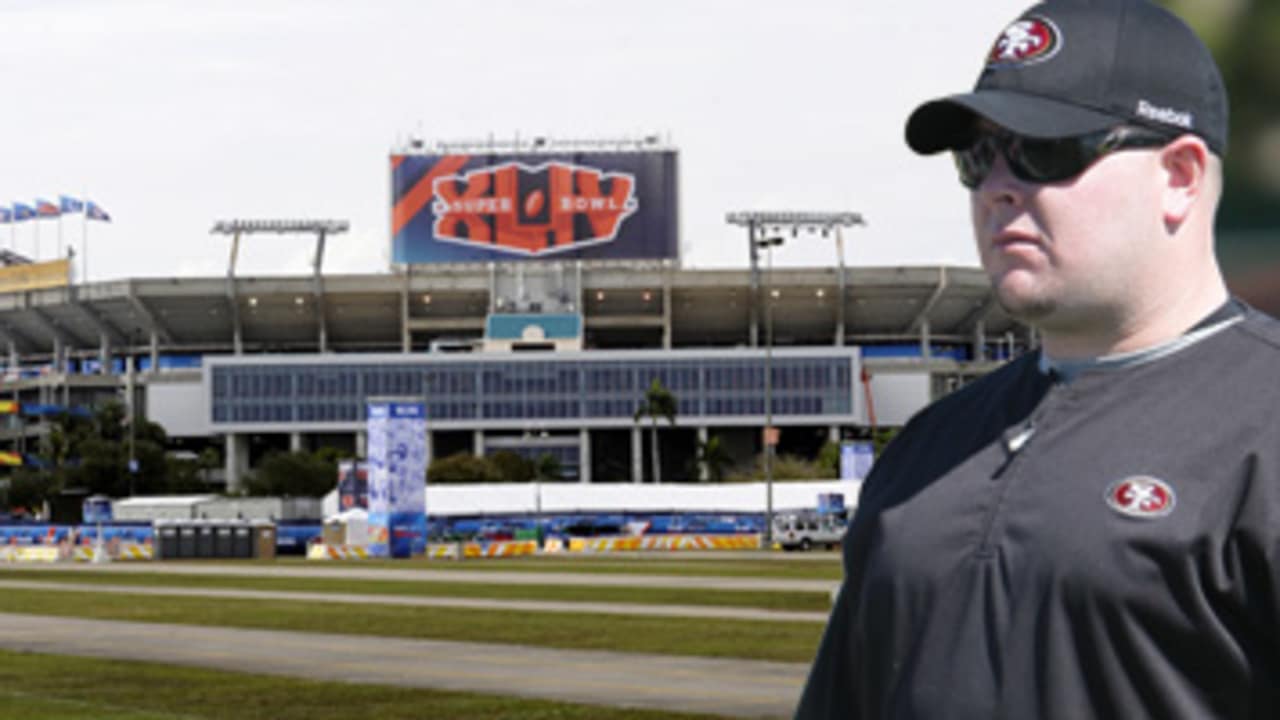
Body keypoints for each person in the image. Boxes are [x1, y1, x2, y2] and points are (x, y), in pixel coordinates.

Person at [796, 1, 1280, 718]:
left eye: (1044, 150)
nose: (997, 187)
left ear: (1178, 176)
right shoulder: (927, 447)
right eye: (977, 157)